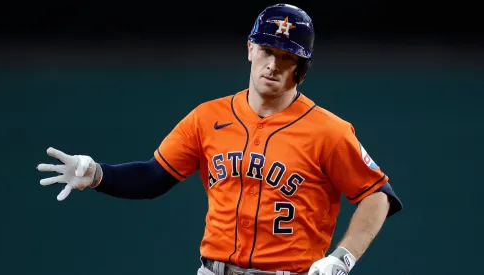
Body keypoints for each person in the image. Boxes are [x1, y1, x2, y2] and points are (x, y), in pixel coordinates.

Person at [37, 3, 402, 275]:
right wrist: (99, 174)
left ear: (302, 69)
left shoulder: (329, 131)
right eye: (266, 50)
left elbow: (377, 195)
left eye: (286, 57)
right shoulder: (207, 117)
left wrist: (343, 258)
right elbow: (154, 177)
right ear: (249, 49)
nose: (272, 64)